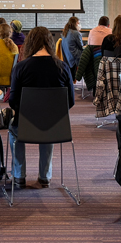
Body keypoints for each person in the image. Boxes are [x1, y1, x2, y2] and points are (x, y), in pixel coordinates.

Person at [8, 26, 74, 189]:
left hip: (25, 125)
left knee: (13, 129)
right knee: (48, 123)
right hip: (55, 128)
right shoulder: (63, 67)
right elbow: (70, 101)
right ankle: (44, 176)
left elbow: (13, 101)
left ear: (30, 43)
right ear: (50, 43)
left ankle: (19, 176)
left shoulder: (20, 68)